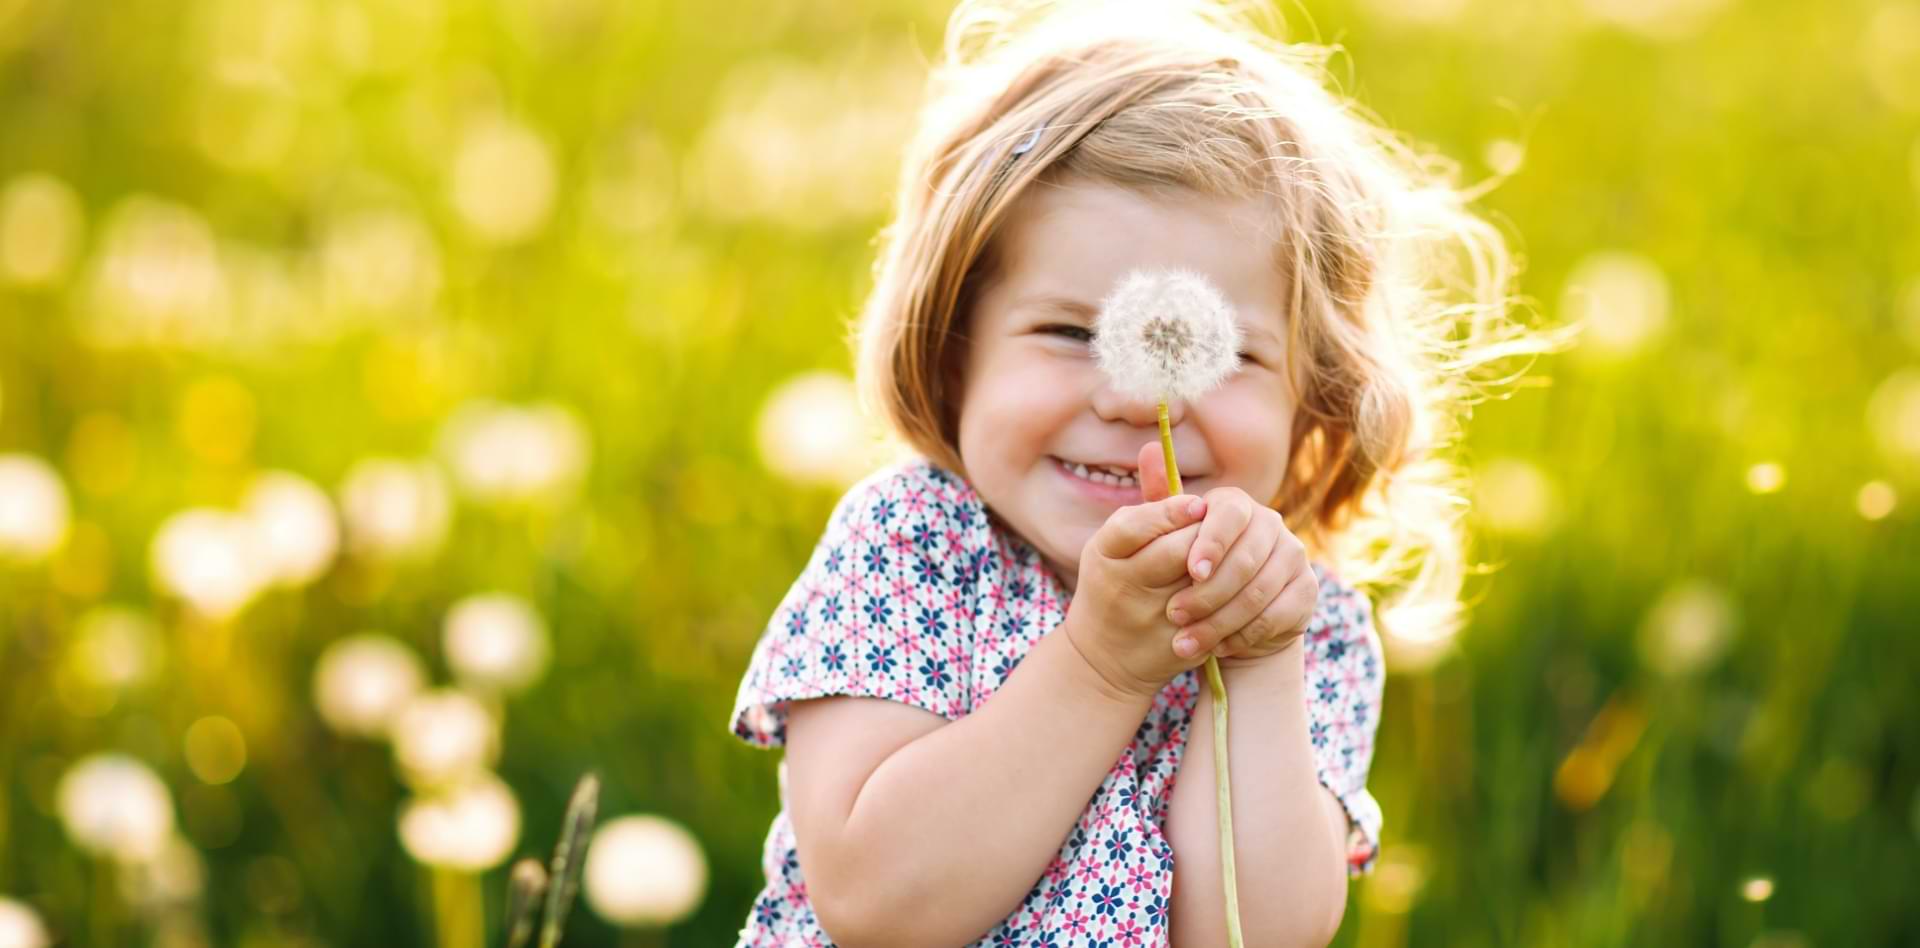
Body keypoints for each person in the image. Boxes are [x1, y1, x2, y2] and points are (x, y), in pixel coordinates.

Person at [728, 1, 1556, 944]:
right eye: (1071, 332)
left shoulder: (1300, 622)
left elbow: (1253, 935)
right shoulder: (914, 548)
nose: (1135, 398)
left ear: (1313, 397)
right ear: (956, 351)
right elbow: (878, 905)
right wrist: (1100, 666)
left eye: (1218, 351)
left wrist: (1254, 668)